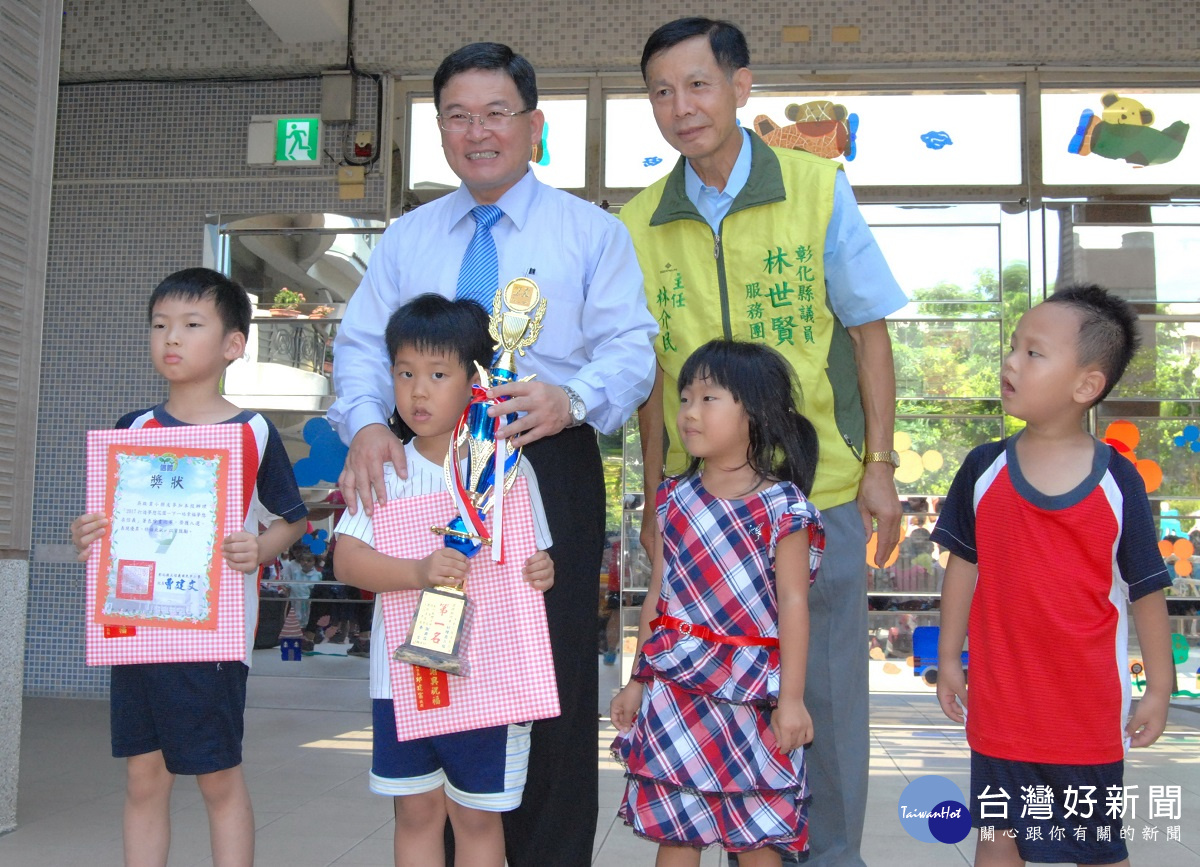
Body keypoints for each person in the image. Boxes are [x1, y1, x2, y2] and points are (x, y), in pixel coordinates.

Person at [328, 41, 657, 865]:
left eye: (496, 113)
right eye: (458, 116)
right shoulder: (407, 237)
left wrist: (570, 397)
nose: (478, 132)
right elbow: (363, 345)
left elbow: (633, 347)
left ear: (534, 125)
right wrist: (369, 423)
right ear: (440, 127)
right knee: (432, 655)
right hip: (423, 464)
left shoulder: (591, 231)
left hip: (542, 455)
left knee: (544, 677)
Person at [622, 17, 906, 866]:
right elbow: (648, 381)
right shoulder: (637, 223)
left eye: (699, 85)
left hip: (816, 496)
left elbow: (869, 333)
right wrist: (650, 493)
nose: (682, 107)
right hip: (703, 508)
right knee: (701, 694)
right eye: (662, 92)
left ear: (742, 87)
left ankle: (831, 856)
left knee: (820, 696)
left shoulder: (817, 187)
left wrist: (882, 465)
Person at [70, 267, 309, 867]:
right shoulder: (134, 430)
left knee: (217, 778)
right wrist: (88, 534)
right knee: (143, 778)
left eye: (190, 325)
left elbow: (293, 519)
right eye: (160, 325)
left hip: (211, 639)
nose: (170, 338)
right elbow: (113, 523)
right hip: (137, 633)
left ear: (233, 345)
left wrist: (263, 547)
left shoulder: (253, 433)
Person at [933, 284, 1173, 866]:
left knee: (1096, 848)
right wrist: (948, 659)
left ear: (1086, 385)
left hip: (1085, 713)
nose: (1011, 361)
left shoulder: (1119, 482)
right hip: (1001, 708)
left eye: (1034, 352)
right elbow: (962, 570)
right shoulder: (982, 468)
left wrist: (1159, 687)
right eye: (1013, 346)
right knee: (997, 838)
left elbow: (1145, 591)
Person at [333, 294, 555, 867]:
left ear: (476, 382)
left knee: (478, 817)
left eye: (437, 374)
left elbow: (535, 563)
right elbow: (347, 562)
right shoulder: (386, 467)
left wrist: (542, 571)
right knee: (416, 812)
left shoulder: (510, 466)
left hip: (488, 675)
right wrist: (416, 571)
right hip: (400, 679)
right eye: (405, 373)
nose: (418, 391)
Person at [610, 339, 823, 865]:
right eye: (684, 399)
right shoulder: (672, 499)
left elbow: (794, 604)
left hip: (751, 692)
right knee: (677, 830)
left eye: (708, 399)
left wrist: (791, 700)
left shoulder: (784, 506)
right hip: (677, 686)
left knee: (753, 830)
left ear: (755, 412)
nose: (689, 413)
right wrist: (638, 679)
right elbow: (659, 594)